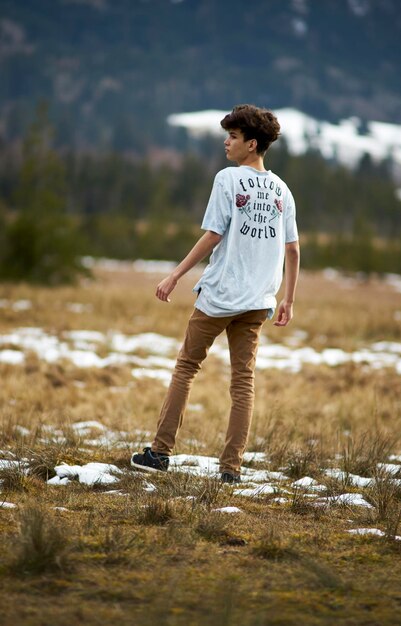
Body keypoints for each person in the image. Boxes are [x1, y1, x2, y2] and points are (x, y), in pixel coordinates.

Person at [131, 104, 300, 483]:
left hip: (221, 295)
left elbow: (213, 235)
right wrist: (288, 298)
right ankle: (231, 470)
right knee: (243, 381)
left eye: (233, 137)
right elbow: (292, 248)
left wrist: (175, 274)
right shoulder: (282, 190)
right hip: (259, 301)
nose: (226, 143)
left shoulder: (228, 180)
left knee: (186, 368)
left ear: (251, 144)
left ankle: (159, 453)